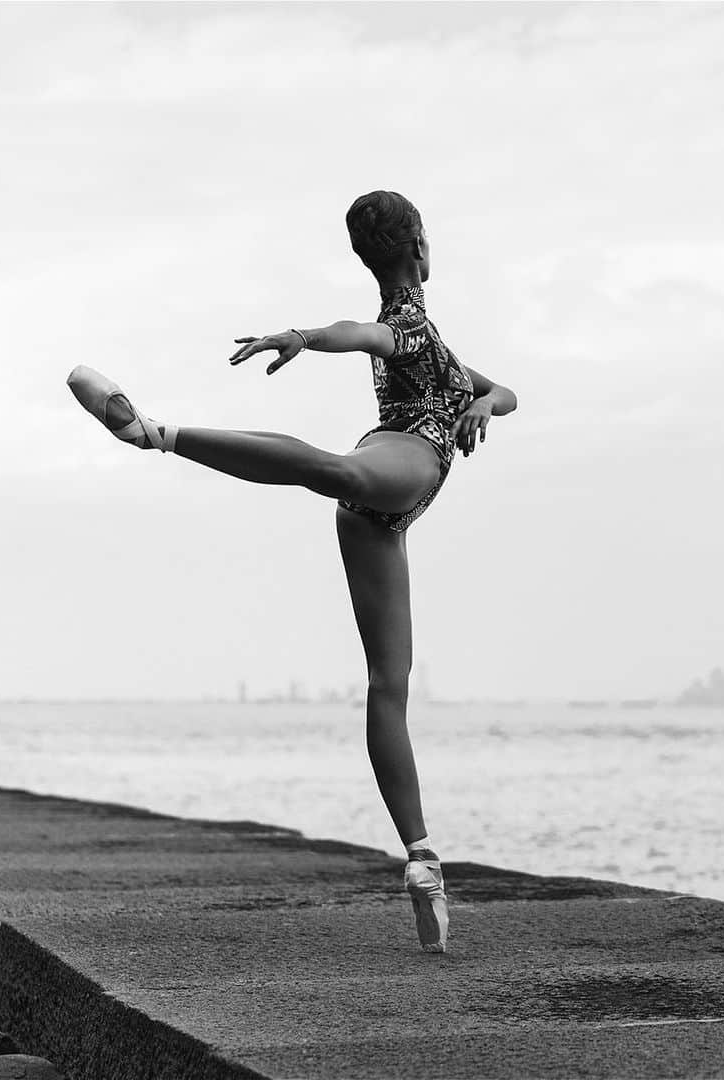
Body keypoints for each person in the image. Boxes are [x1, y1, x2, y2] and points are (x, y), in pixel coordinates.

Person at [67, 190, 518, 953]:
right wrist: (309, 336)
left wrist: (484, 405)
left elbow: (501, 389)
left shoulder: (431, 342)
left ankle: (422, 863)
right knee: (331, 469)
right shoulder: (406, 325)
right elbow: (365, 334)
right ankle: (156, 433)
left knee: (388, 685)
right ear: (420, 249)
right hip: (399, 464)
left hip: (383, 520)